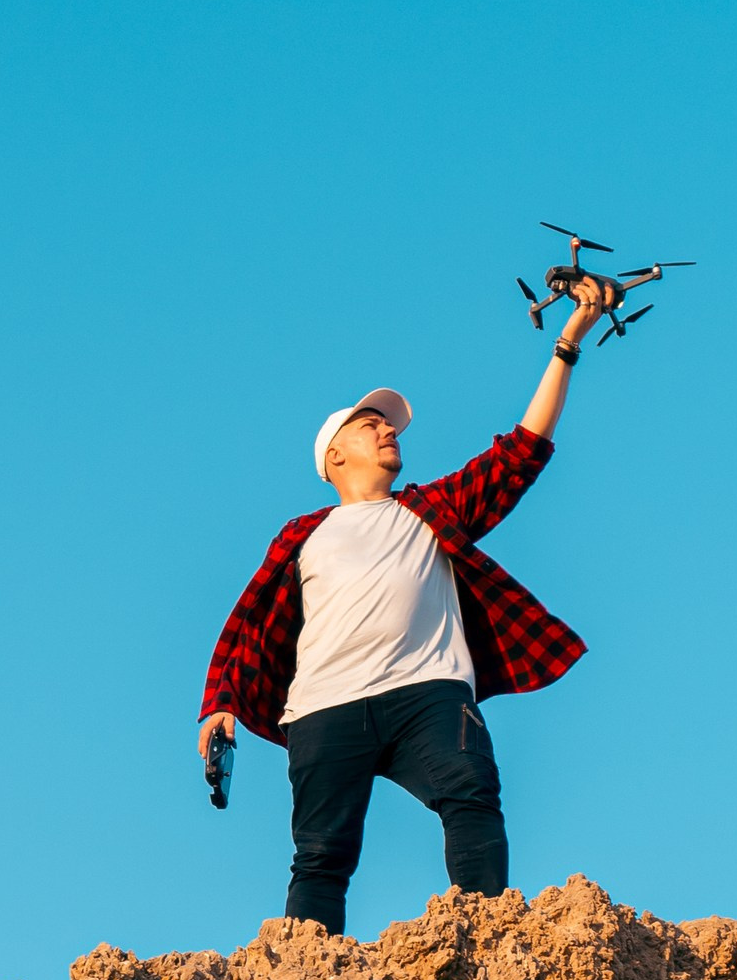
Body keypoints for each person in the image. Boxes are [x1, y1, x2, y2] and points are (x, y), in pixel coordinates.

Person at [197, 290, 614, 933]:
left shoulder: (429, 510)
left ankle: (487, 940)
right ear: (334, 455)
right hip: (323, 707)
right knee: (320, 856)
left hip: (429, 693)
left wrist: (569, 342)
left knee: (473, 797)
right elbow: (249, 622)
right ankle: (308, 976)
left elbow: (521, 453)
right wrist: (220, 701)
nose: (389, 429)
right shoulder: (303, 534)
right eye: (371, 425)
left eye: (388, 425)